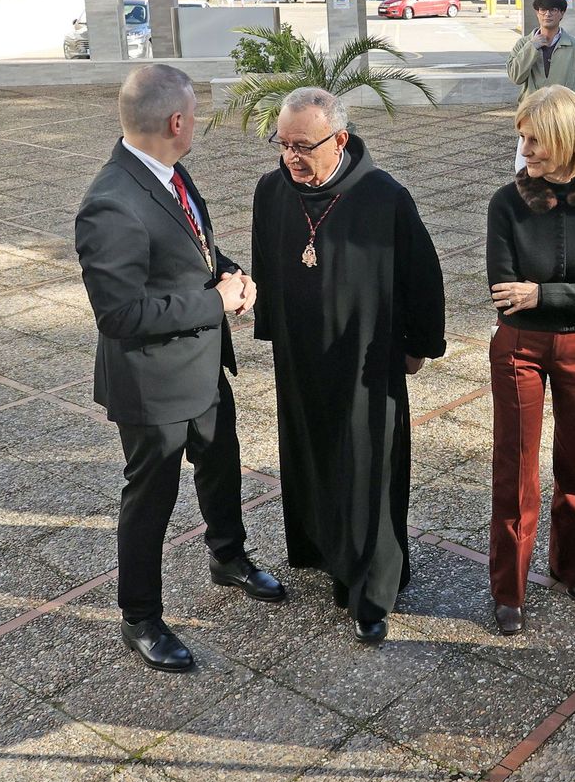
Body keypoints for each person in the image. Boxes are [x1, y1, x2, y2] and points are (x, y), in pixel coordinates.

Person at [75, 64, 286, 674]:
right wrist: (213, 303)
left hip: (200, 366)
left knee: (221, 463)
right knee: (152, 497)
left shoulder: (169, 173)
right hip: (152, 382)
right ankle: (141, 616)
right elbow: (119, 313)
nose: (196, 123)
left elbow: (194, 247)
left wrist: (230, 273)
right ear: (175, 121)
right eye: (194, 114)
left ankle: (229, 556)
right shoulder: (110, 203)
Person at [249, 88, 446, 645]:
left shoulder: (383, 197)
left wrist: (419, 345)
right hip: (301, 359)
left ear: (339, 140)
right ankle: (317, 548)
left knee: (365, 470)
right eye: (282, 144)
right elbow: (267, 260)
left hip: (364, 361)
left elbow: (422, 277)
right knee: (310, 453)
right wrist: (272, 332)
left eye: (302, 146)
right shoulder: (272, 191)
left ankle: (370, 590)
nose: (290, 157)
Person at [486, 86, 575, 635]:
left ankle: (571, 567)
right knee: (516, 467)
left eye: (535, 139)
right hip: (519, 347)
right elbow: (504, 291)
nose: (525, 149)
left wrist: (542, 293)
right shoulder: (507, 202)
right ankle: (510, 588)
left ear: (567, 139)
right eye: (522, 137)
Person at [506, 0, 575, 172]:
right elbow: (515, 76)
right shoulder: (523, 44)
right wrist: (532, 47)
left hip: (562, 119)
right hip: (531, 118)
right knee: (525, 169)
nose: (547, 14)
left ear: (561, 13)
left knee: (563, 167)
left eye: (553, 10)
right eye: (542, 10)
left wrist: (569, 103)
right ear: (537, 13)